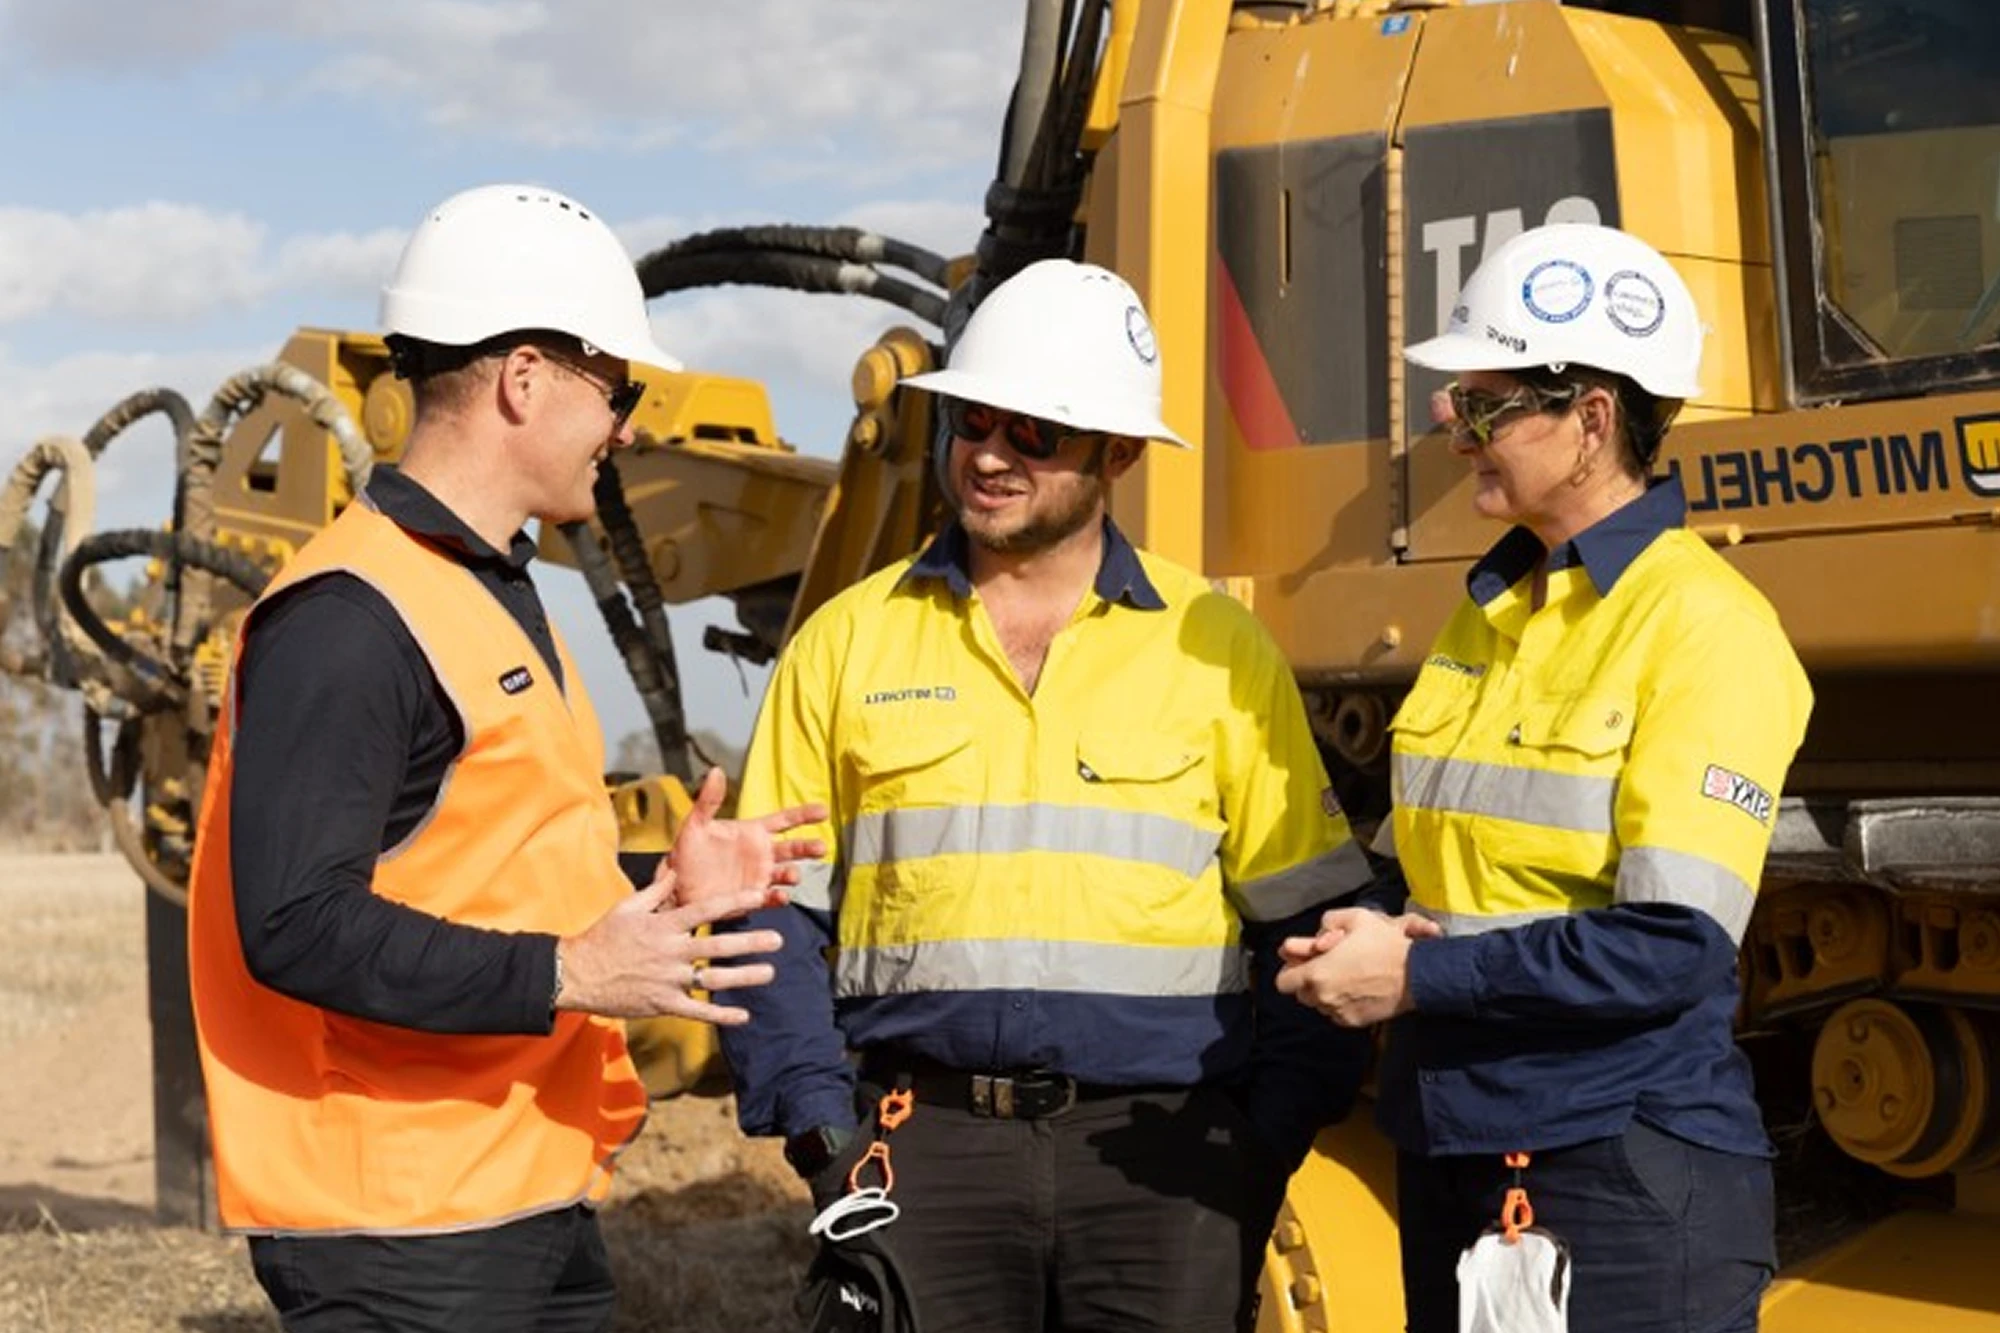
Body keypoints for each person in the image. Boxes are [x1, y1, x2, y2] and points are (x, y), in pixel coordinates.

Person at [185, 183, 825, 1332]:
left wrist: (659, 895)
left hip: (515, 1194)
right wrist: (568, 972)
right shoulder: (348, 617)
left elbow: (483, 870)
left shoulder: (482, 591)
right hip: (399, 1231)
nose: (626, 426)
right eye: (617, 389)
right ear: (525, 380)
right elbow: (292, 921)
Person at [709, 258, 1377, 1333]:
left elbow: (1314, 924)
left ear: (1115, 453)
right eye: (973, 420)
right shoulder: (844, 642)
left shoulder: (1216, 648)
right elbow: (766, 915)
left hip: (1164, 1164)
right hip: (915, 1149)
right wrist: (820, 1135)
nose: (988, 454)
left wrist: (1260, 1142)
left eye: (1034, 433)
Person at [1276, 223, 1813, 1333]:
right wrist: (1354, 937)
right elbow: (1429, 872)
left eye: (1482, 406)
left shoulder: (1705, 630)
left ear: (1591, 420)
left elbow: (1671, 945)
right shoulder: (1489, 616)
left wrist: (1416, 981)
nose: (1451, 428)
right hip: (1460, 1154)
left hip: (1617, 1170)